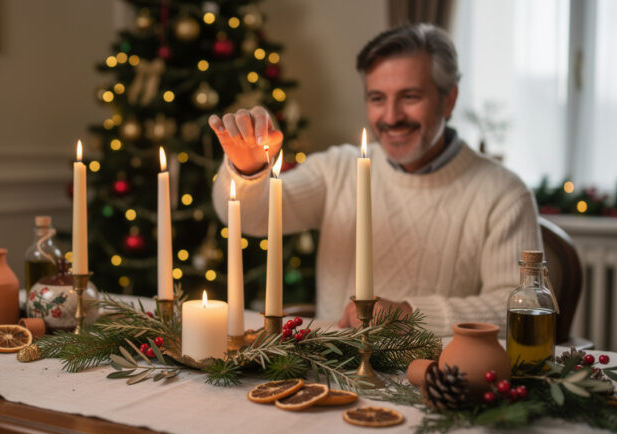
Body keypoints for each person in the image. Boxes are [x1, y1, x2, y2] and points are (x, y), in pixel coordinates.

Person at [208, 23, 541, 337]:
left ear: (449, 99)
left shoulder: (503, 193)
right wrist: (248, 171)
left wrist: (411, 315)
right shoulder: (338, 168)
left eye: (410, 97)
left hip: (437, 380)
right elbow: (249, 218)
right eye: (377, 98)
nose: (392, 117)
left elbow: (526, 306)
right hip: (333, 372)